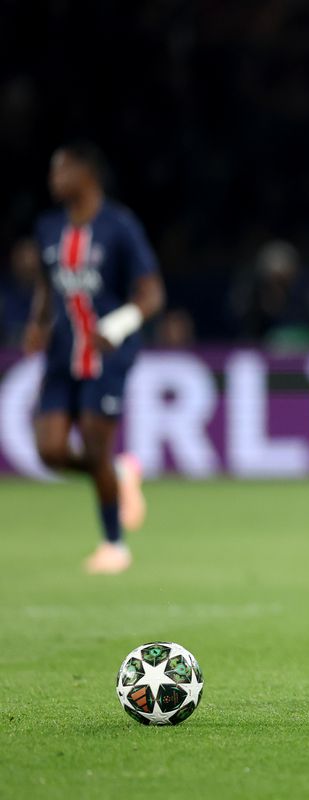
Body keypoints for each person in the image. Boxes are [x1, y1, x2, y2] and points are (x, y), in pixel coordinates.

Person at [24, 142, 165, 575]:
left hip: (107, 353)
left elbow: (152, 293)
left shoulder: (119, 226)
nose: (53, 179)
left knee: (92, 440)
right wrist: (38, 321)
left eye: (61, 170)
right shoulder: (49, 228)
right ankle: (119, 476)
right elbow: (48, 286)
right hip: (62, 351)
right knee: (49, 451)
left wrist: (117, 326)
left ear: (87, 175)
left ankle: (114, 545)